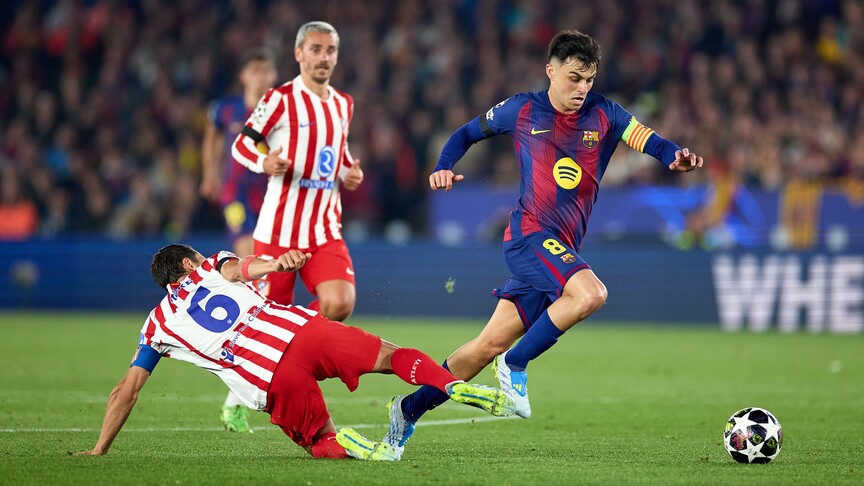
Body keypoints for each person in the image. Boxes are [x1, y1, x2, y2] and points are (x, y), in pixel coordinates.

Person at [382, 30, 704, 458]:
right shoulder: (520, 109)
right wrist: (443, 165)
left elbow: (651, 140)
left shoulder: (605, 114)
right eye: (574, 78)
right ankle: (516, 363)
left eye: (589, 80)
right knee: (590, 294)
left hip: (558, 250)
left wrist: (674, 156)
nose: (582, 88)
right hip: (529, 236)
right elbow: (465, 134)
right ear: (551, 71)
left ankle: (407, 409)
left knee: (485, 346)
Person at [75, 244, 515, 461]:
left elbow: (126, 391)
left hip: (266, 379)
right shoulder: (210, 265)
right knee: (390, 355)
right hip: (301, 330)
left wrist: (99, 450)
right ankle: (449, 384)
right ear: (189, 264)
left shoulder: (156, 324)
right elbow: (241, 268)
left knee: (320, 440)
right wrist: (275, 264)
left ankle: (354, 446)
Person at [231, 21, 362, 323]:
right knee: (267, 318)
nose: (324, 57)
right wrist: (264, 163)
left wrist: (348, 172)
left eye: (330, 50)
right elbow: (241, 145)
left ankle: (296, 330)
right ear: (299, 53)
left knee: (340, 304)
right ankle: (289, 332)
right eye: (316, 49)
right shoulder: (279, 99)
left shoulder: (344, 103)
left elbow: (336, 151)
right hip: (279, 231)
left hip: (324, 231)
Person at [199, 47, 279, 434]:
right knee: (252, 263)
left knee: (265, 279)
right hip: (236, 196)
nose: (263, 76)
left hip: (271, 198)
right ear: (244, 75)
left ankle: (244, 331)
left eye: (268, 70)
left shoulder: (278, 110)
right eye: (256, 69)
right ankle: (241, 336)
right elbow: (211, 136)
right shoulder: (226, 109)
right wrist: (209, 174)